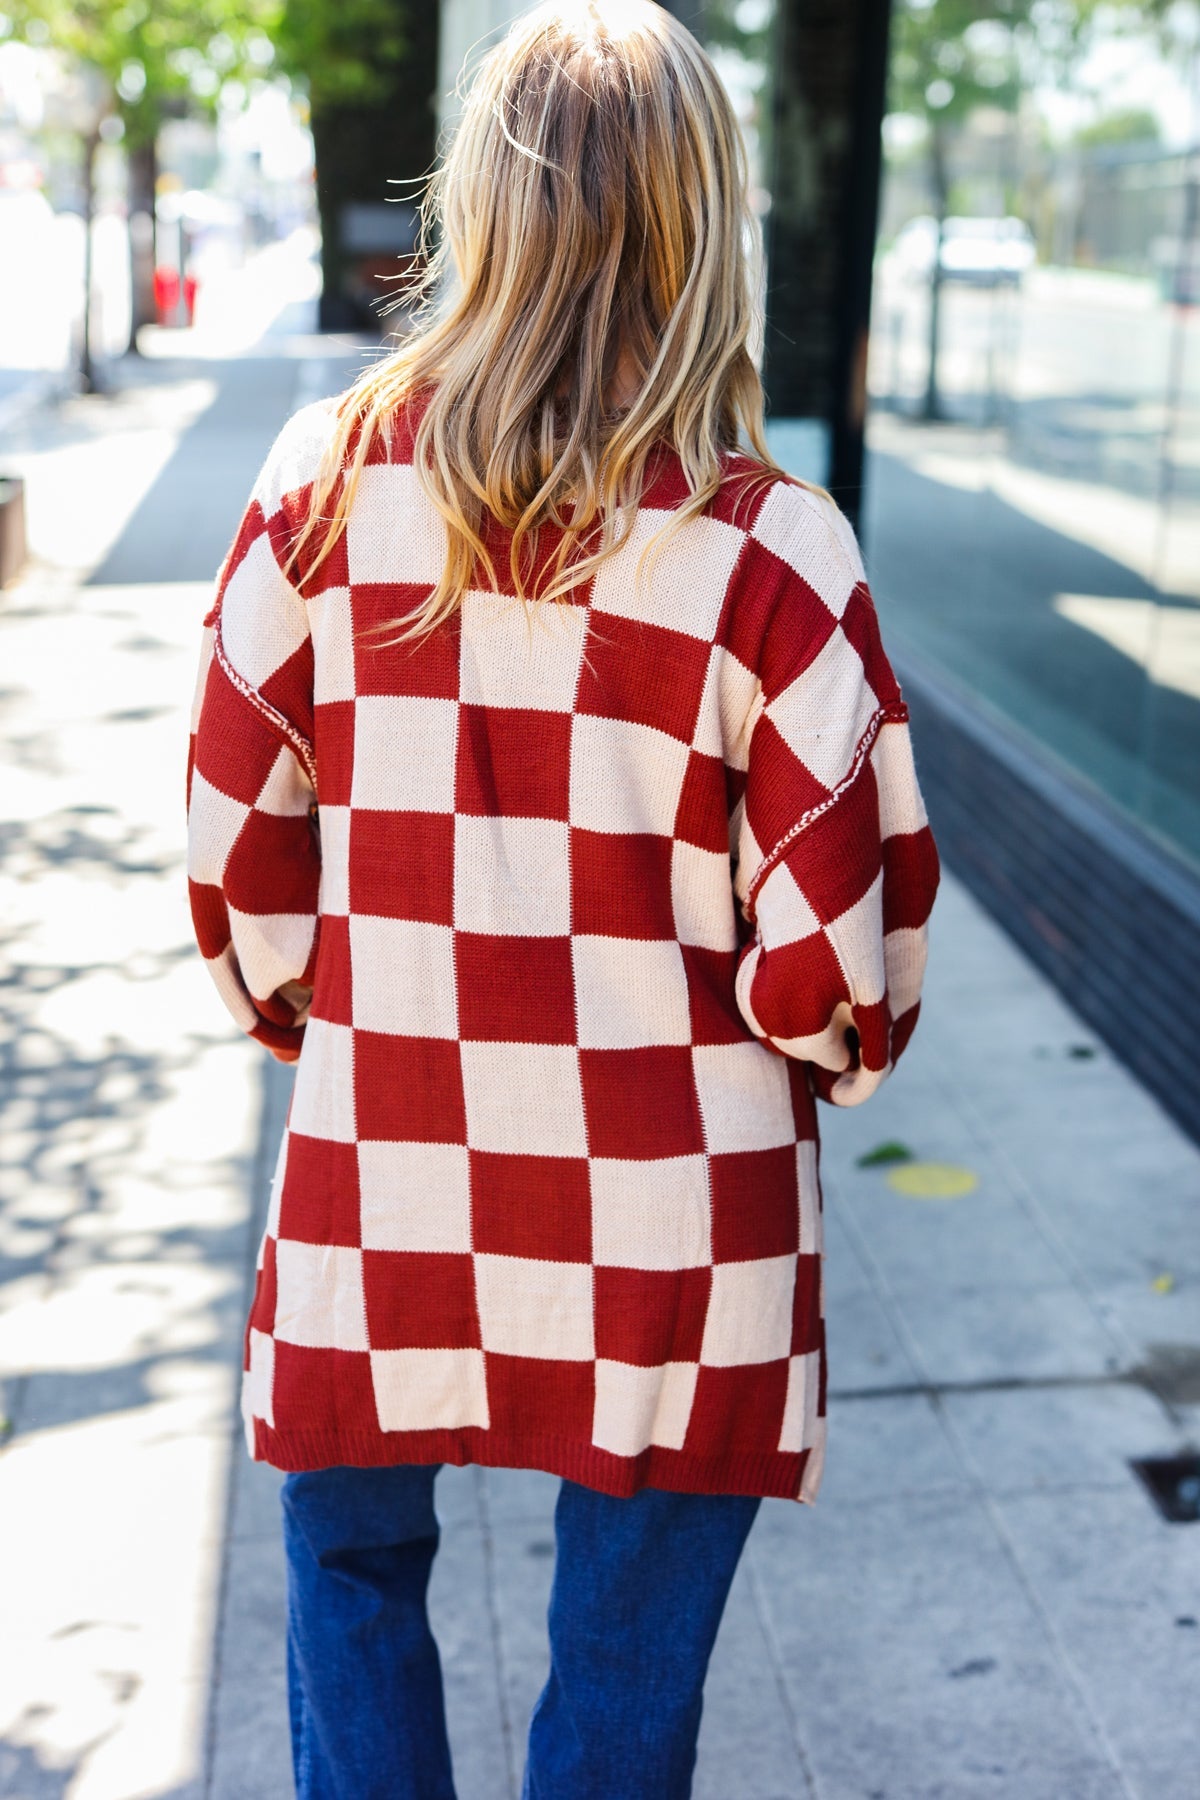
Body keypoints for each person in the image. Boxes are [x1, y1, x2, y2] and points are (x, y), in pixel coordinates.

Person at [185, 3, 941, 1795]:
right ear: (706, 219)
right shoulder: (774, 545)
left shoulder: (318, 484)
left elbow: (234, 844)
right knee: (626, 1665)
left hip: (390, 1163)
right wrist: (827, 1049)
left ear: (485, 202)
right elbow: (839, 947)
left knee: (352, 1578)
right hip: (682, 1206)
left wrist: (326, 1016)